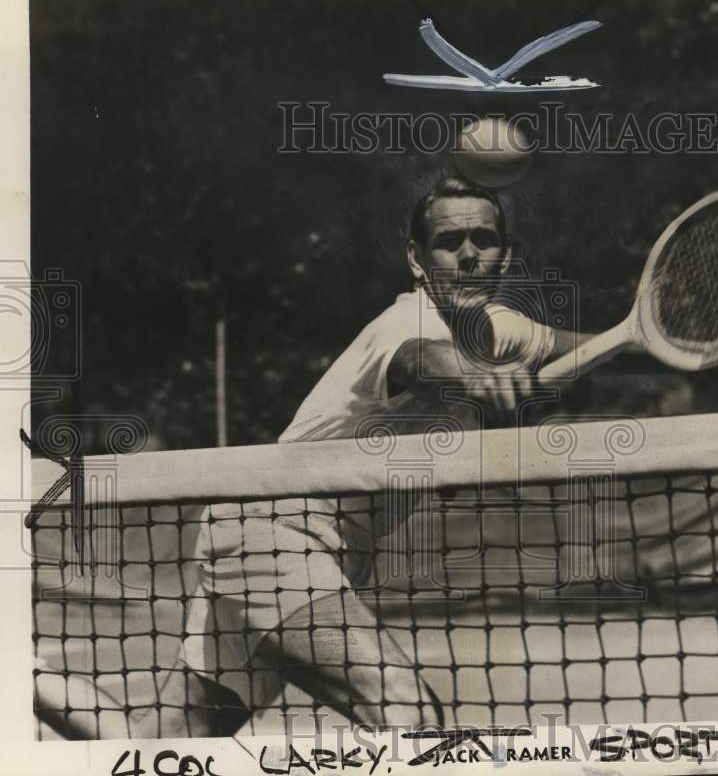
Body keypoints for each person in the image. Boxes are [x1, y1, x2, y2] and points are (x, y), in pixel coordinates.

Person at [130, 176, 594, 737]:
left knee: (165, 748)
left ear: (507, 254)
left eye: (484, 239)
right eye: (450, 243)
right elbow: (425, 360)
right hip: (273, 530)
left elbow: (598, 348)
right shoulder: (408, 323)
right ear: (417, 261)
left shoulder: (503, 331)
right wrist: (480, 377)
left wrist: (668, 340)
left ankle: (27, 675)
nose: (469, 255)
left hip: (299, 545)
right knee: (407, 712)